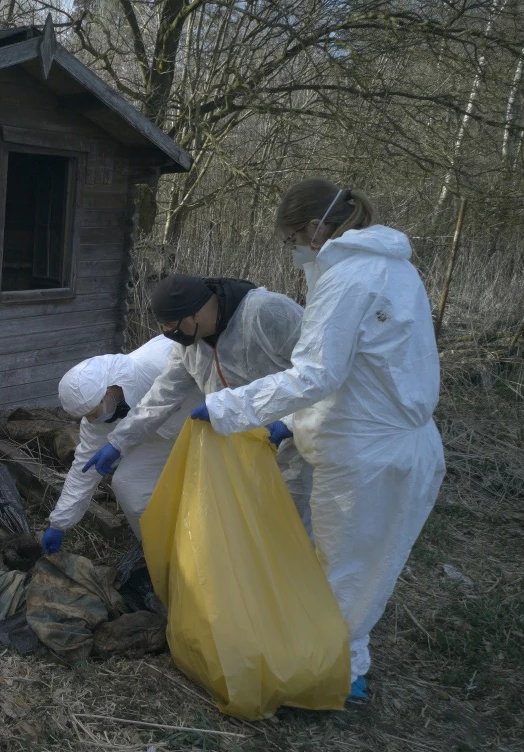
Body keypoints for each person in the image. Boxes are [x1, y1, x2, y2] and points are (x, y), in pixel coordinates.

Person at [190, 180, 446, 700]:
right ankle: (343, 664)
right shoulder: (394, 267)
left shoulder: (350, 278)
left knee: (343, 571)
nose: (293, 251)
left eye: (291, 239)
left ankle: (325, 676)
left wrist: (228, 408)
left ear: (314, 228)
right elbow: (369, 375)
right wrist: (297, 424)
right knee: (366, 566)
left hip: (366, 457)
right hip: (404, 443)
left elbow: (317, 375)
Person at [85, 273, 314, 530]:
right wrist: (119, 442)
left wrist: (290, 422)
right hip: (243, 447)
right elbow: (162, 396)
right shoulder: (188, 345)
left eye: (171, 324)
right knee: (253, 525)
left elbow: (324, 370)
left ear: (194, 314)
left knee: (298, 525)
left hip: (297, 443)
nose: (167, 333)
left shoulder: (266, 312)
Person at [40, 335, 196, 554]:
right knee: (129, 482)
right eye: (87, 416)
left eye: (93, 413)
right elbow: (84, 470)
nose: (92, 420)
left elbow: (234, 372)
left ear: (108, 390)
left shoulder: (161, 359)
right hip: (161, 438)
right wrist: (59, 524)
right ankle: (162, 553)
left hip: (213, 425)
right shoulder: (99, 419)